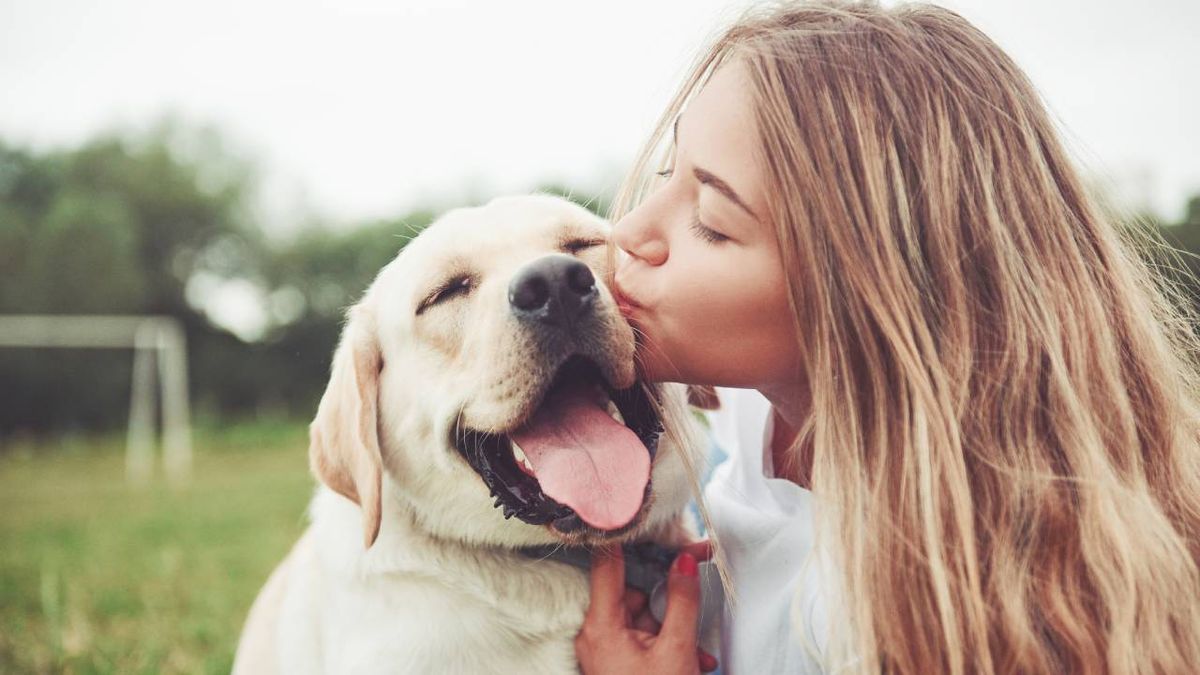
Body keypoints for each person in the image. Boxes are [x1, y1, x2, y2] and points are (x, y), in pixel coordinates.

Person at [572, 1, 1200, 673]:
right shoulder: (762, 408)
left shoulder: (919, 619)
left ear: (860, 299)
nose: (630, 231)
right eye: (669, 173)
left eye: (713, 222)